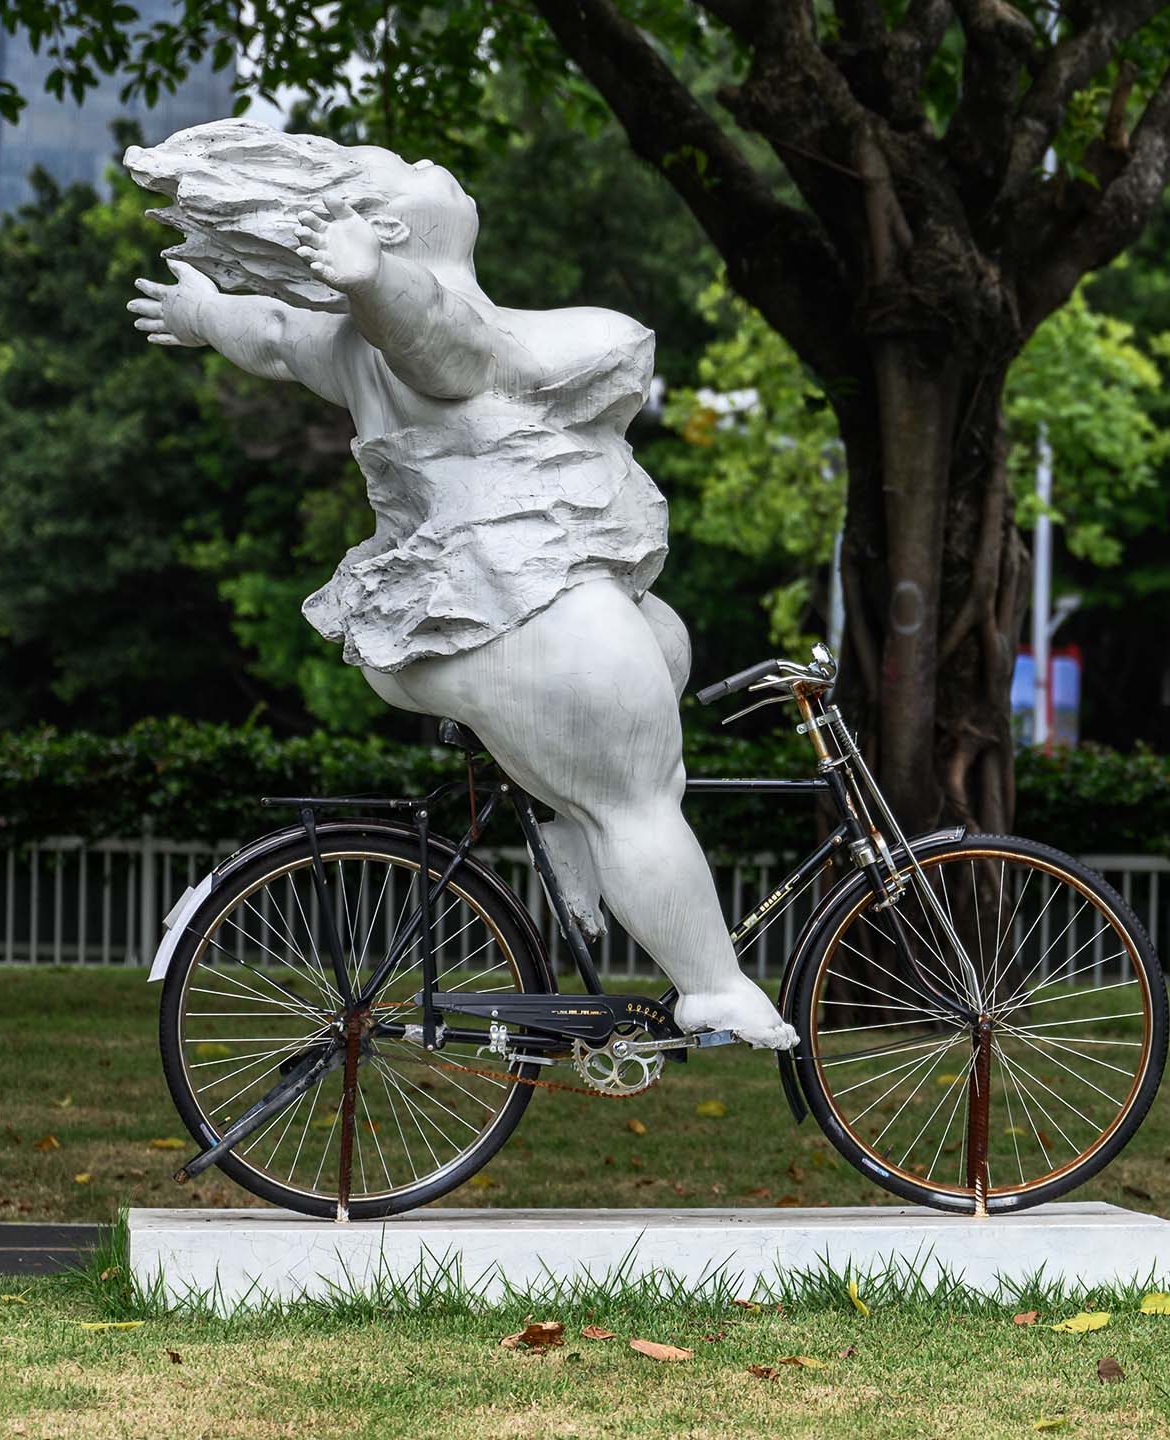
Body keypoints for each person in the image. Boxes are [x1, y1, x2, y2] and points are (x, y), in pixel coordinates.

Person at [123, 122, 796, 1049]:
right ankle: (711, 986)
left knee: (664, 642)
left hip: (478, 610)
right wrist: (370, 280)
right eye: (400, 173)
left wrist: (205, 316)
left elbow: (277, 335)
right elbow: (438, 343)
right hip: (505, 605)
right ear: (387, 231)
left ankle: (571, 819)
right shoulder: (422, 322)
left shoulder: (357, 344)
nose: (428, 161)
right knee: (636, 784)